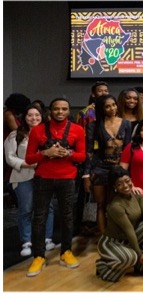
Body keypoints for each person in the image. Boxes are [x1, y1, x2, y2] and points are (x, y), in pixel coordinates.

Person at [25, 98, 86, 277]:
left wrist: (68, 153)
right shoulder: (37, 130)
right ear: (50, 111)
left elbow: (82, 157)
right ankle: (38, 256)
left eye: (64, 109)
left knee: (67, 216)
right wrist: (45, 153)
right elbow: (29, 158)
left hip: (67, 179)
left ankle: (66, 251)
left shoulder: (77, 129)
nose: (60, 112)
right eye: (56, 109)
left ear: (68, 111)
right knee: (40, 217)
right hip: (43, 178)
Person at [5, 105, 57, 257]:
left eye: (37, 115)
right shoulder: (15, 135)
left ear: (42, 117)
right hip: (23, 176)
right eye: (30, 115)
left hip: (45, 176)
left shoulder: (49, 133)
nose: (33, 118)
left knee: (48, 208)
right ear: (24, 118)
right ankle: (26, 241)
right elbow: (10, 157)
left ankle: (47, 238)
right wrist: (29, 164)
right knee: (26, 209)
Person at [95, 167, 143, 282]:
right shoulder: (115, 206)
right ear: (114, 187)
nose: (125, 186)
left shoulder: (136, 194)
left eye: (127, 181)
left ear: (131, 180)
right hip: (112, 242)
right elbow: (129, 230)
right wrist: (139, 254)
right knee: (131, 257)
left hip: (127, 239)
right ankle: (102, 266)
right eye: (119, 184)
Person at [83, 95, 133, 234]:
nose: (112, 108)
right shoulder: (94, 125)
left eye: (114, 105)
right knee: (101, 204)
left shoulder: (126, 124)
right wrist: (86, 174)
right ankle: (104, 237)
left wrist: (126, 171)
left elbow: (128, 149)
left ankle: (115, 234)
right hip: (100, 167)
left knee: (116, 204)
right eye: (108, 106)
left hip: (119, 168)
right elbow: (89, 151)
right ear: (101, 109)